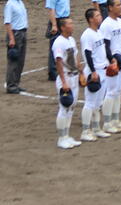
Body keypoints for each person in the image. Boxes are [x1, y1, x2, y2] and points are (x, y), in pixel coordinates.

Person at [99, 0, 121, 133]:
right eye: (117, 5)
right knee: (111, 92)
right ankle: (107, 123)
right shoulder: (106, 24)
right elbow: (105, 45)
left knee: (118, 92)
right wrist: (111, 60)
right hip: (113, 62)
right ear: (110, 8)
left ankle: (116, 120)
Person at [79, 8, 112, 139]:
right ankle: (85, 131)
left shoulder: (99, 32)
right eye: (97, 15)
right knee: (90, 103)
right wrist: (93, 71)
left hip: (102, 70)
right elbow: (87, 54)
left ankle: (96, 128)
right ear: (91, 19)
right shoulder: (87, 35)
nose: (100, 17)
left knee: (98, 103)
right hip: (94, 71)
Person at [52, 18, 82, 149]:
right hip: (65, 78)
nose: (72, 25)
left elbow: (76, 58)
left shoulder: (71, 40)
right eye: (70, 24)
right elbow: (58, 62)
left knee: (71, 107)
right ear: (62, 27)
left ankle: (67, 135)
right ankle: (61, 138)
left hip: (74, 77)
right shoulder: (58, 42)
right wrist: (64, 82)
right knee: (64, 108)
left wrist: (81, 73)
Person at [45, 0, 70, 81]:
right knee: (55, 46)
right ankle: (53, 71)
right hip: (58, 20)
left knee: (66, 44)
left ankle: (63, 68)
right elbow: (51, 9)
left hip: (65, 18)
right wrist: (54, 25)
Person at [4, 0, 28, 94]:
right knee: (13, 61)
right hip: (15, 34)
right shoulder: (10, 4)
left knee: (20, 61)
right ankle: (11, 85)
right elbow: (7, 23)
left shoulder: (20, 2)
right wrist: (11, 38)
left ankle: (16, 83)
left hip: (23, 32)